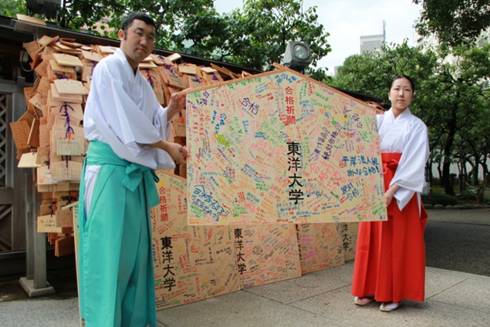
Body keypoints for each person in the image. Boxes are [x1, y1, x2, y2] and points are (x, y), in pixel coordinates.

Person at [77, 12, 187, 326]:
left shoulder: (141, 81)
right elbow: (129, 122)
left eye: (151, 36)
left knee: (134, 257)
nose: (144, 41)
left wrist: (170, 111)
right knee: (108, 256)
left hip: (132, 173)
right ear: (121, 34)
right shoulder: (109, 68)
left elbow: (150, 120)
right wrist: (166, 147)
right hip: (110, 173)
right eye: (139, 33)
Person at [351, 75, 429, 312]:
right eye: (397, 89)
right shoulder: (375, 121)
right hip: (374, 182)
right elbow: (358, 149)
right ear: (389, 94)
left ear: (412, 95)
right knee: (370, 240)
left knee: (396, 243)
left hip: (400, 187)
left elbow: (415, 162)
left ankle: (393, 293)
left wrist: (391, 192)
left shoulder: (417, 126)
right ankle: (366, 289)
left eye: (407, 90)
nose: (401, 94)